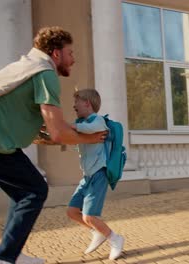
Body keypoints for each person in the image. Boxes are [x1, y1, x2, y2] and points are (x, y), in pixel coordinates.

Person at [0, 27, 107, 264]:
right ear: (56, 54)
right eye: (70, 53)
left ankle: (10, 253)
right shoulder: (45, 73)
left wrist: (69, 132)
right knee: (35, 190)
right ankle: (3, 259)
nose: (73, 59)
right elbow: (57, 133)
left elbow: (43, 132)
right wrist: (91, 139)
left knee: (22, 192)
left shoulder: (26, 66)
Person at [66, 89, 125, 260]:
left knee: (89, 216)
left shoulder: (97, 121)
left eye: (77, 101)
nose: (74, 105)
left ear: (87, 103)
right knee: (72, 211)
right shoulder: (82, 123)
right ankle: (97, 232)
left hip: (99, 173)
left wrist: (72, 126)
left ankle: (115, 238)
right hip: (87, 176)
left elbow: (92, 129)